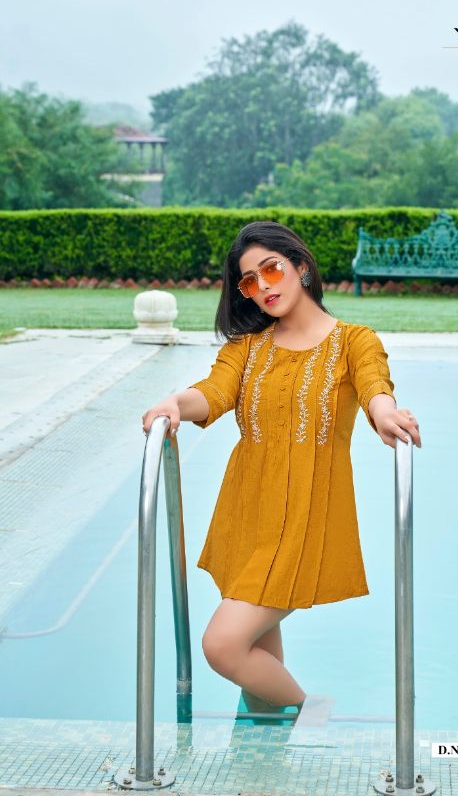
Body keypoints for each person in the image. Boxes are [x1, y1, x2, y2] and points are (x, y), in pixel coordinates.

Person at [141, 220, 422, 719]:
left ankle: (310, 713)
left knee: (223, 646)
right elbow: (214, 392)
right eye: (249, 281)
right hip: (247, 514)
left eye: (271, 269)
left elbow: (375, 385)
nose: (263, 286)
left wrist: (384, 413)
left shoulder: (354, 342)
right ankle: (264, 750)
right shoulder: (247, 348)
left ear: (301, 266)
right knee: (255, 657)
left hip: (303, 521)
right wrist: (174, 404)